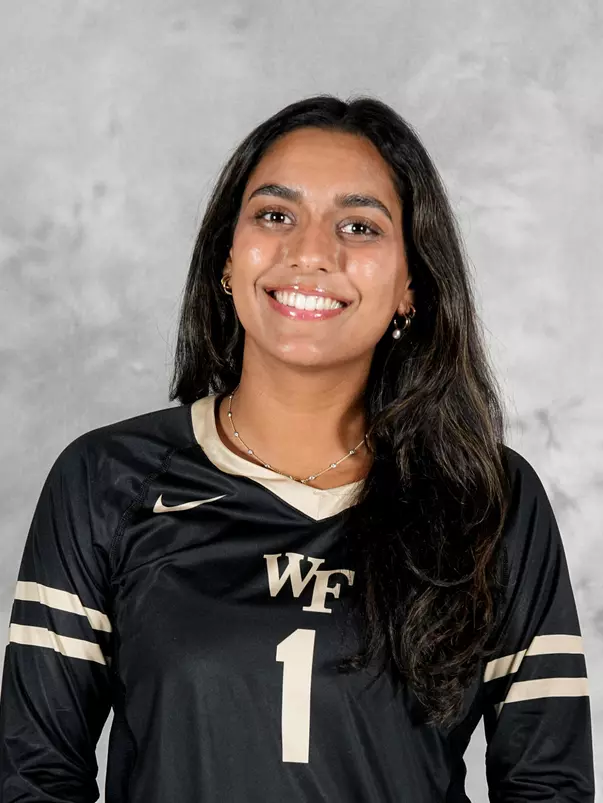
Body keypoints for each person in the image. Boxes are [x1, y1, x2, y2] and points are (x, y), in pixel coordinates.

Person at [0, 94, 594, 802]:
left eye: (358, 225)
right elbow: (33, 778)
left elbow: (547, 786)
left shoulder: (487, 499)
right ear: (227, 257)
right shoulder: (105, 481)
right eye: (275, 215)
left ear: (410, 284)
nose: (311, 252)